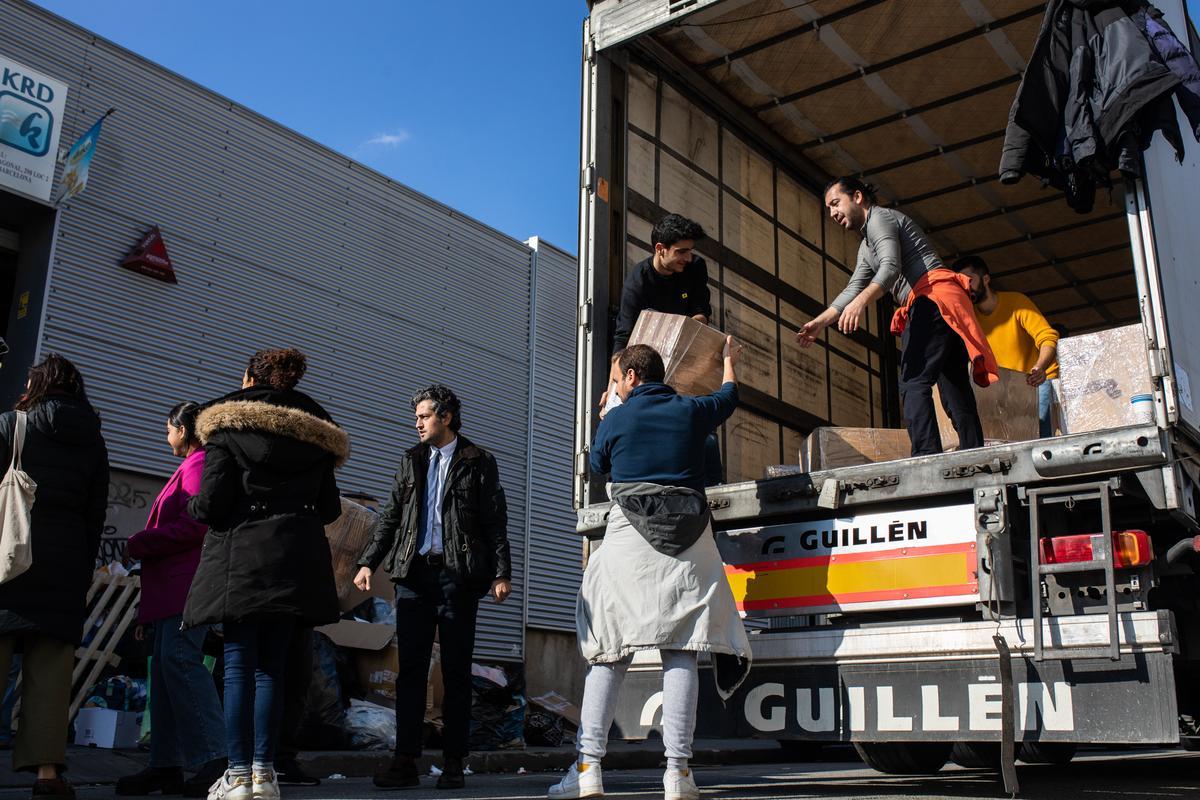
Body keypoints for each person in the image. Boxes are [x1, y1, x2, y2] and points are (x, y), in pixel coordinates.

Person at [548, 341, 751, 800]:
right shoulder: (692, 411)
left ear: (632, 378)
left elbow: (598, 467)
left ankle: (588, 770)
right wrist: (728, 361)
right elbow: (729, 397)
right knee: (681, 650)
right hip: (690, 541)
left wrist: (609, 413)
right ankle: (678, 773)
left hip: (630, 540)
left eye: (618, 378)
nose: (615, 385)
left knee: (608, 651)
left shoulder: (617, 418)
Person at [182, 349, 347, 800]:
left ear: (250, 378)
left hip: (242, 559)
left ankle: (235, 776)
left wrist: (193, 505)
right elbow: (330, 508)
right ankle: (264, 774)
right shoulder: (316, 437)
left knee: (238, 666)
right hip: (295, 559)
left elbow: (212, 503)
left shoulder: (227, 428)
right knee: (273, 669)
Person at [355, 385, 512, 791]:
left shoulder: (479, 461)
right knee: (410, 672)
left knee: (457, 671)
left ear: (446, 416)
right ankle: (405, 760)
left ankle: (454, 762)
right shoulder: (411, 460)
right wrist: (368, 561)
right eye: (417, 417)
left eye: (424, 416)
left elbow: (495, 521)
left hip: (457, 577)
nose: (418, 423)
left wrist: (500, 573)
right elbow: (391, 515)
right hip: (413, 576)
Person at [796, 177, 998, 456]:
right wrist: (821, 321)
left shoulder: (880, 219)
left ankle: (925, 455)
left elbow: (891, 267)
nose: (832, 213)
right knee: (953, 386)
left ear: (857, 197)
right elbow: (854, 287)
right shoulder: (866, 247)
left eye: (835, 203)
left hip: (933, 297)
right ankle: (974, 451)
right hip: (946, 302)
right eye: (829, 209)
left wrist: (861, 303)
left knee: (914, 380)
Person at [0, 354, 109, 799]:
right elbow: (95, 511)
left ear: (37, 385)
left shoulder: (12, 426)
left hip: (9, 559)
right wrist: (82, 569)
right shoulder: (93, 439)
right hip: (64, 565)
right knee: (50, 671)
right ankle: (47, 773)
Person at [117, 403, 227, 797]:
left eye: (168, 429)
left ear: (184, 429)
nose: (166, 437)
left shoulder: (197, 465)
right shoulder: (190, 465)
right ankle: (164, 764)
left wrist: (140, 542)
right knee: (164, 671)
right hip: (172, 588)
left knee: (180, 662)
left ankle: (216, 757)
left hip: (186, 587)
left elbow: (196, 525)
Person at [955, 256, 1062, 438]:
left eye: (969, 279)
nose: (966, 285)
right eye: (960, 281)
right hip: (1004, 390)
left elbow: (1047, 337)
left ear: (986, 279)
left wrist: (1040, 367)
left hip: (1036, 381)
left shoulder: (1016, 302)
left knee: (1039, 438)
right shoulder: (968, 317)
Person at [611, 213, 712, 351]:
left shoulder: (696, 267)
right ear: (660, 249)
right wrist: (616, 370)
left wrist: (686, 331)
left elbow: (701, 311)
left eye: (690, 251)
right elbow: (624, 335)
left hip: (685, 347)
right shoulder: (638, 282)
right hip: (649, 354)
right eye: (681, 252)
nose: (688, 258)